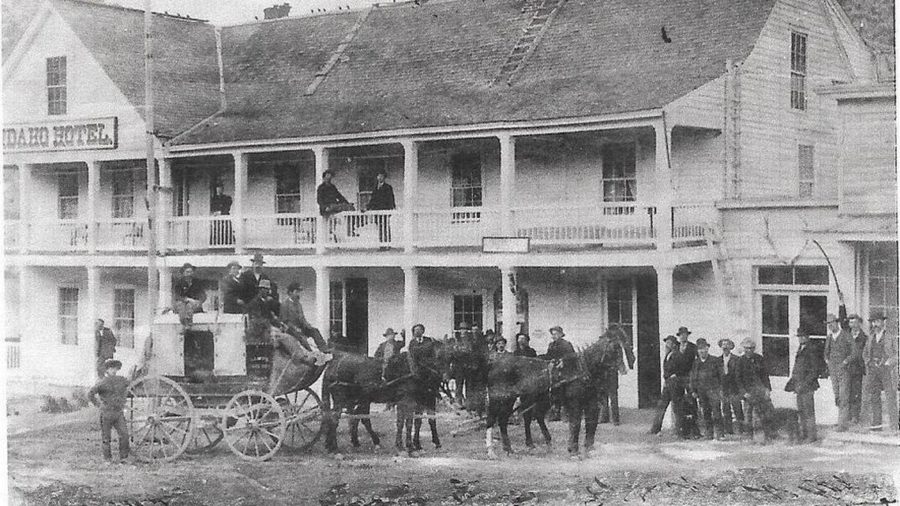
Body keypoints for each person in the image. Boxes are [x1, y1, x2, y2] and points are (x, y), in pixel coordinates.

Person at [88, 359, 130, 463]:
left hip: (118, 413)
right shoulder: (102, 382)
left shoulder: (121, 380)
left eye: (116, 368)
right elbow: (90, 394)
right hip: (106, 413)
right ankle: (107, 459)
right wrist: (98, 405)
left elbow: (130, 384)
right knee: (106, 438)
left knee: (124, 435)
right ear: (107, 370)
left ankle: (123, 458)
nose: (114, 371)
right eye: (111, 369)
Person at [786, 327, 823, 443]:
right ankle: (804, 434)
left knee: (808, 412)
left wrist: (805, 383)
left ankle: (811, 436)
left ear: (808, 337)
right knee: (801, 411)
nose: (801, 339)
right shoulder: (801, 348)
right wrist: (794, 382)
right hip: (799, 385)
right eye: (799, 337)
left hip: (807, 385)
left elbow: (814, 369)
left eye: (803, 336)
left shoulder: (812, 349)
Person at [863, 311, 898, 432]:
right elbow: (865, 353)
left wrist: (888, 363)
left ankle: (894, 426)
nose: (875, 324)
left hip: (886, 370)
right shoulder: (871, 337)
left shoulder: (890, 337)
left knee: (890, 397)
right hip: (873, 371)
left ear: (883, 322)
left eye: (877, 321)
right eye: (873, 322)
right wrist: (868, 362)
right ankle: (876, 425)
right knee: (874, 397)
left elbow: (896, 354)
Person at [736, 338, 774, 439]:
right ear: (744, 349)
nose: (749, 350)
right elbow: (738, 379)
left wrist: (767, 389)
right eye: (747, 348)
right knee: (748, 415)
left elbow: (765, 375)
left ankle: (766, 435)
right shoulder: (740, 361)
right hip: (748, 392)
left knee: (763, 414)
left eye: (751, 348)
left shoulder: (759, 359)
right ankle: (749, 436)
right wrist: (743, 392)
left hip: (760, 391)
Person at [689, 338, 724, 440]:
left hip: (713, 391)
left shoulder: (715, 361)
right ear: (697, 351)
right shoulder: (696, 363)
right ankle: (709, 433)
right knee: (706, 412)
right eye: (700, 349)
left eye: (704, 348)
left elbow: (721, 376)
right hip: (701, 391)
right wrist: (693, 391)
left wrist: (721, 389)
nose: (702, 351)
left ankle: (720, 433)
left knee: (716, 412)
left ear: (707, 348)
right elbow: (693, 378)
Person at [650, 335, 685, 435]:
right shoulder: (667, 355)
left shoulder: (678, 355)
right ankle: (655, 428)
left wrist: (676, 375)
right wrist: (665, 381)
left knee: (677, 407)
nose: (667, 345)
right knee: (661, 405)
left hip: (675, 384)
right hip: (668, 384)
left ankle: (679, 430)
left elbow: (682, 369)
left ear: (674, 344)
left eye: (669, 343)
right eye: (667, 343)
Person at [280, 282, 328, 351]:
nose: (298, 294)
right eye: (296, 292)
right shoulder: (285, 304)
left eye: (299, 292)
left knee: (314, 331)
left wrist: (308, 325)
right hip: (291, 329)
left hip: (301, 327)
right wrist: (295, 328)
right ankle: (310, 354)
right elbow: (285, 321)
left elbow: (302, 318)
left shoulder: (298, 304)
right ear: (290, 293)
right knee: (303, 339)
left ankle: (324, 349)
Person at [674, 327, 700, 438]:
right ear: (679, 336)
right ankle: (681, 430)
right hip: (679, 379)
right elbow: (672, 362)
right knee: (679, 404)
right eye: (681, 335)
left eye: (685, 334)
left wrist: (693, 375)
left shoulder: (693, 347)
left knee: (692, 403)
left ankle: (694, 430)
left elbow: (697, 362)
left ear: (687, 335)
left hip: (689, 378)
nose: (683, 336)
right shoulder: (675, 348)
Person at [597, 328, 624, 425]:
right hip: (603, 372)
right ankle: (604, 417)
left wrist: (615, 367)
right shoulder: (601, 343)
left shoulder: (616, 345)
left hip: (611, 372)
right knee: (603, 395)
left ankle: (615, 419)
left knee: (613, 396)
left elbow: (619, 358)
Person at [845, 314, 868, 427]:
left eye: (854, 322)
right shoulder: (846, 336)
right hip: (846, 369)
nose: (852, 325)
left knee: (855, 393)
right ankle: (846, 415)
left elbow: (863, 354)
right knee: (845, 392)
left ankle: (855, 416)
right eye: (850, 323)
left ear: (859, 323)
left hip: (857, 369)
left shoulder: (864, 338)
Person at [718, 338, 745, 435]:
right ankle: (729, 430)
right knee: (725, 409)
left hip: (734, 387)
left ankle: (741, 430)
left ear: (731, 347)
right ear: (721, 347)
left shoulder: (736, 359)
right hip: (724, 387)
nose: (725, 347)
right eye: (723, 345)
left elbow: (739, 374)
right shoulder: (719, 360)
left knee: (737, 408)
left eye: (727, 345)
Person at [824, 311, 849, 408]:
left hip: (843, 369)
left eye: (831, 323)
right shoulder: (829, 337)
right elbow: (826, 352)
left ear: (837, 323)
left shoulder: (845, 335)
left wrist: (846, 361)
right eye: (828, 324)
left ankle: (842, 422)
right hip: (833, 369)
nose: (830, 326)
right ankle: (840, 420)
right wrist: (827, 360)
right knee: (837, 395)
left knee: (843, 395)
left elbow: (853, 351)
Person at [365, 168, 396, 245]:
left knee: (385, 227)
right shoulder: (375, 188)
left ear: (384, 177)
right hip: (377, 210)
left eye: (382, 176)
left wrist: (391, 208)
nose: (380, 178)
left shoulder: (388, 187)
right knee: (380, 227)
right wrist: (368, 207)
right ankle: (382, 244)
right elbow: (373, 199)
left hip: (384, 210)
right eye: (378, 176)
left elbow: (391, 198)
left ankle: (387, 244)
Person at [173, 263, 207, 327]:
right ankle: (186, 324)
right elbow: (177, 296)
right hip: (183, 304)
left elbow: (203, 295)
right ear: (183, 273)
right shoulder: (179, 283)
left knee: (190, 306)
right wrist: (187, 299)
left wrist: (199, 301)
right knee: (183, 306)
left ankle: (189, 324)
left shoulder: (197, 282)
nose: (189, 274)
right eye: (187, 272)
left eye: (191, 272)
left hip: (194, 305)